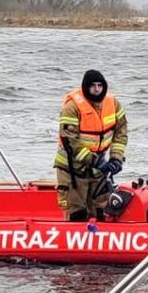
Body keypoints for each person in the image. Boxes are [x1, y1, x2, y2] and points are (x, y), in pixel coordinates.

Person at [53, 69, 128, 221]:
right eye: (93, 86)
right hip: (72, 168)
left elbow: (121, 132)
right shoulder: (72, 107)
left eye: (100, 85)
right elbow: (70, 141)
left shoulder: (113, 104)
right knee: (77, 214)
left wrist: (116, 158)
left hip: (98, 170)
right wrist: (96, 161)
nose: (96, 89)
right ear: (85, 87)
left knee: (102, 211)